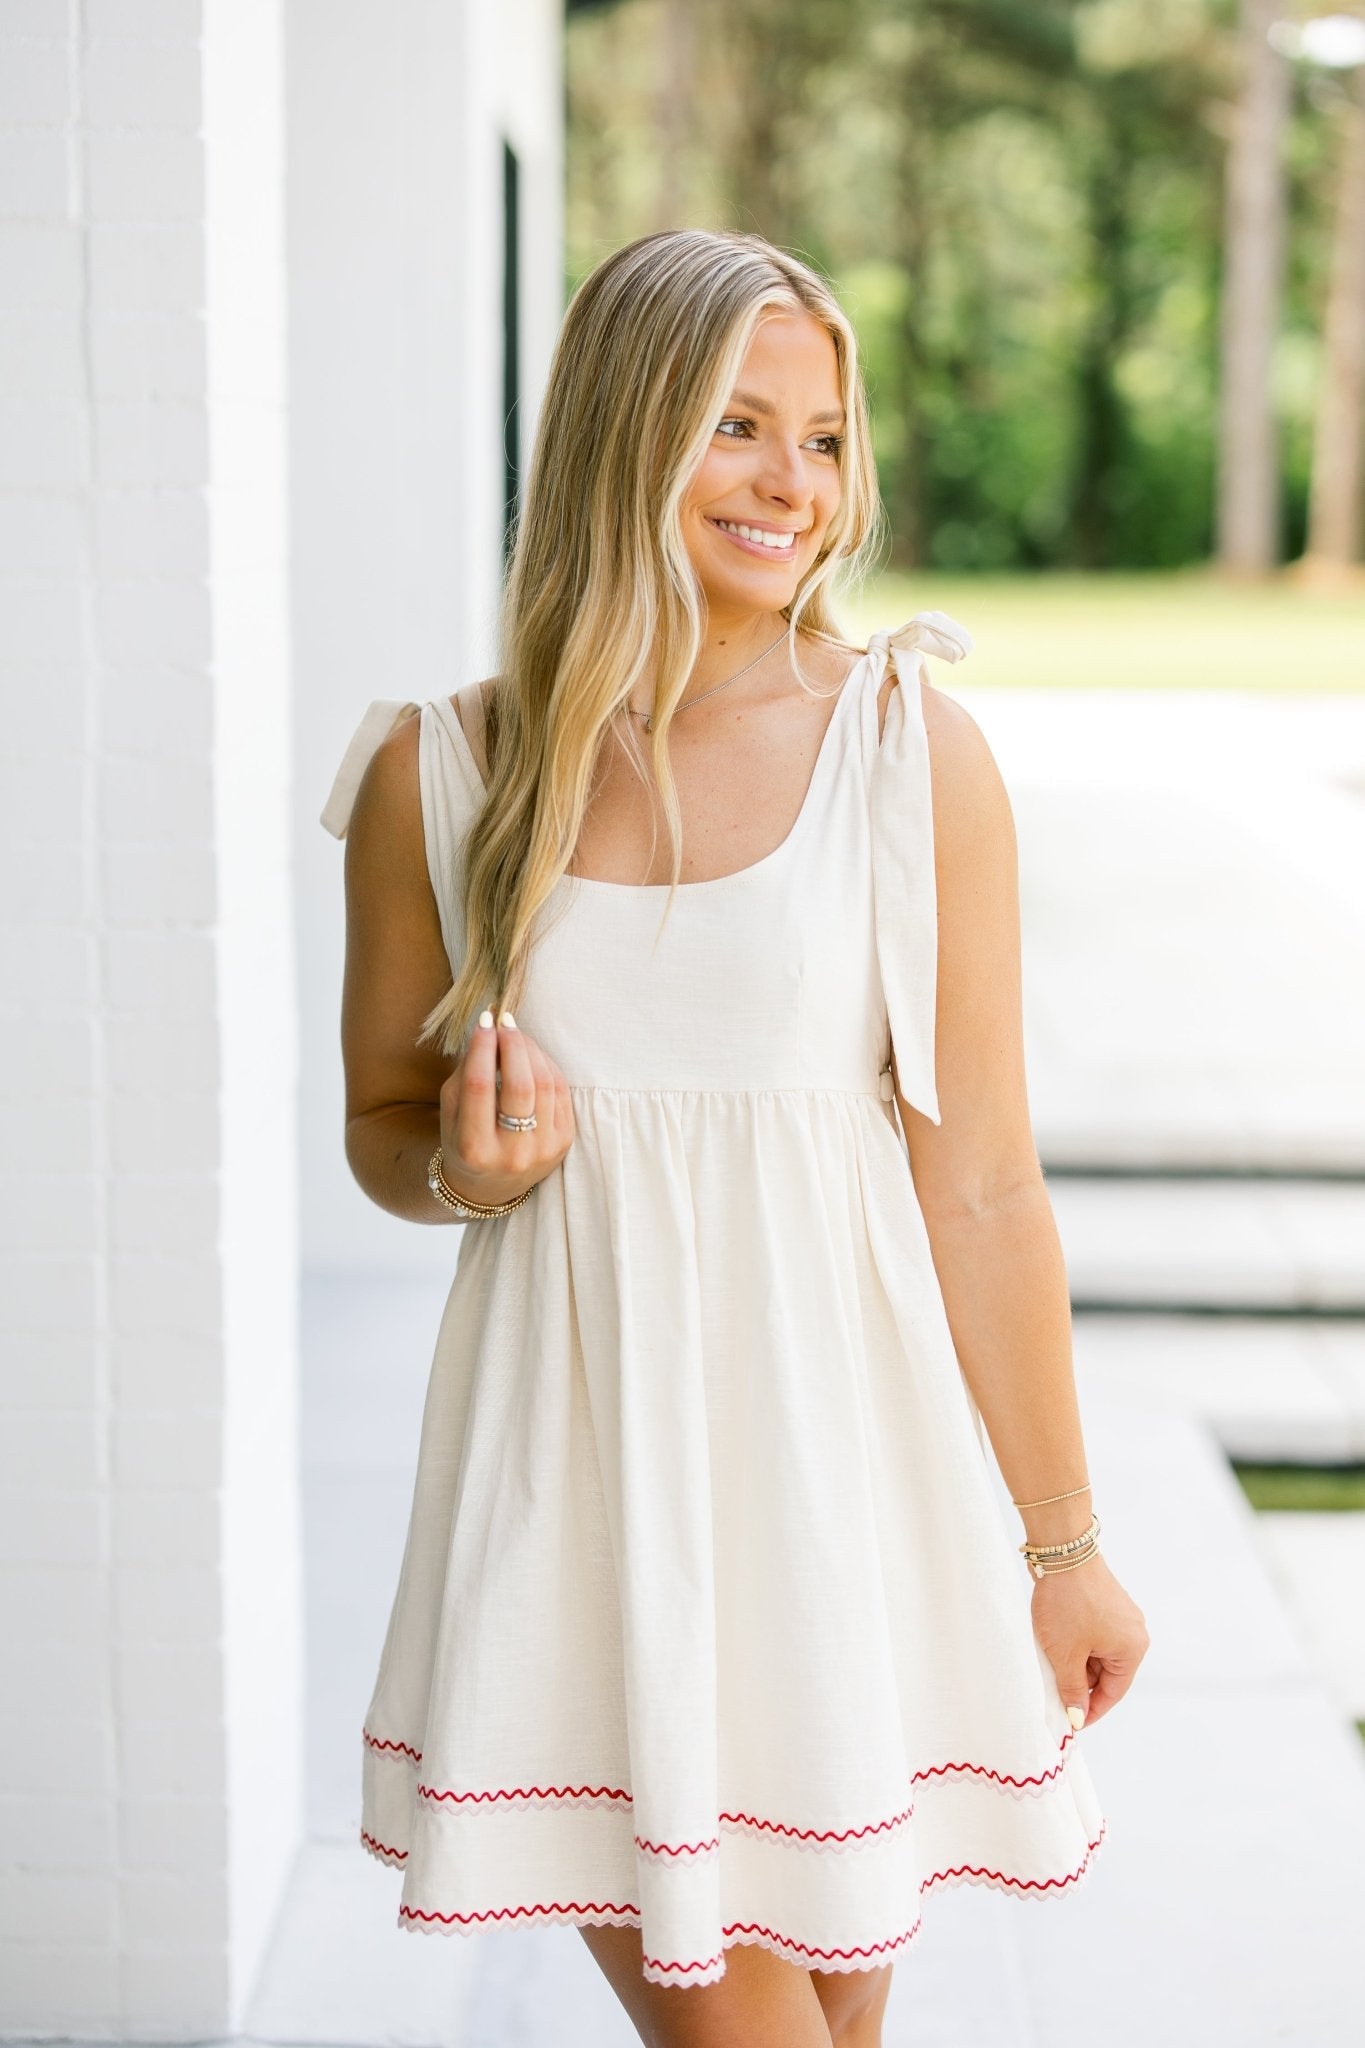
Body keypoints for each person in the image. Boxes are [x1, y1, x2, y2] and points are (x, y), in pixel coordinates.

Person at [320, 227, 1149, 2048]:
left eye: (825, 438)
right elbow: (383, 1131)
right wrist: (468, 1167)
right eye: (736, 425)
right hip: (582, 1511)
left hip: (844, 1502)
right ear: (619, 430)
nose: (793, 483)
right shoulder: (436, 772)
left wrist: (1061, 1545)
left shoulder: (907, 751)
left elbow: (981, 1186)